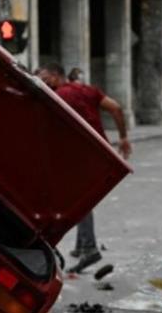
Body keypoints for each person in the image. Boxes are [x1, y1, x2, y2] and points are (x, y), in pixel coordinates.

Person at [36, 63, 132, 272]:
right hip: (100, 154)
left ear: (55, 75)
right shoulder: (88, 90)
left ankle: (89, 248)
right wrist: (123, 137)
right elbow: (115, 108)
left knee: (77, 200)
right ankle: (82, 246)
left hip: (80, 157)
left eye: (43, 76)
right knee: (80, 198)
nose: (42, 81)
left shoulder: (58, 96)